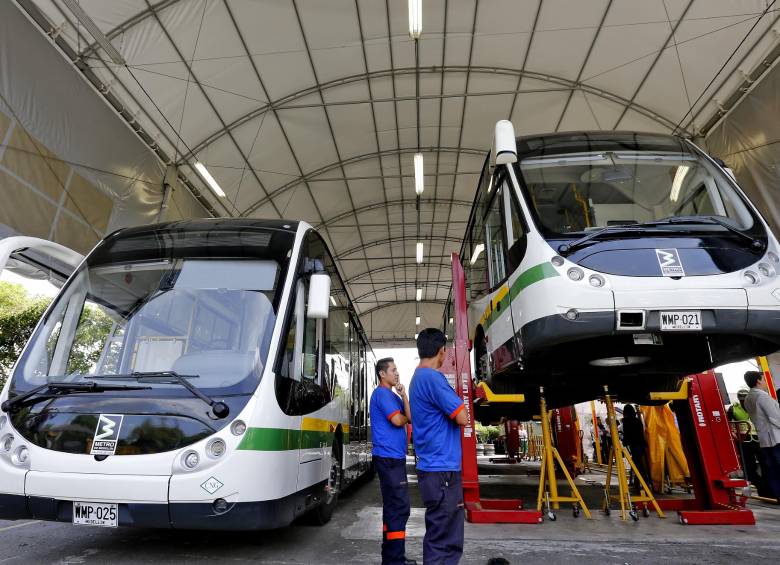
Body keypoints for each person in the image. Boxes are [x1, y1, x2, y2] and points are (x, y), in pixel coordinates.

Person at [409, 328, 469, 565]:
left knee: (439, 532)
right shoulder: (432, 378)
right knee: (446, 538)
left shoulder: (416, 378)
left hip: (432, 468)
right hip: (442, 469)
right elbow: (462, 416)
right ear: (441, 351)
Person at [369, 357, 416, 565]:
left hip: (393, 458)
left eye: (397, 370)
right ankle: (395, 560)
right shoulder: (382, 394)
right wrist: (404, 416)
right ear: (382, 374)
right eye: (393, 370)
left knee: (394, 508)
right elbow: (399, 420)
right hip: (389, 458)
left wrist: (404, 395)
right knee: (399, 507)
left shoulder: (393, 396)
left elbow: (410, 416)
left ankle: (391, 558)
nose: (397, 373)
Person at [742, 370, 780, 500]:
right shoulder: (762, 396)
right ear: (758, 381)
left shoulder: (748, 398)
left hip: (764, 440)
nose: (764, 382)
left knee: (773, 471)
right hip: (776, 439)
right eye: (763, 379)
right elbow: (776, 418)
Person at [727, 389, 767, 496]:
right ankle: (762, 487)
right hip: (744, 441)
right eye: (741, 400)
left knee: (766, 466)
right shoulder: (733, 409)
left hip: (760, 440)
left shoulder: (756, 406)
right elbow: (727, 423)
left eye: (745, 399)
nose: (743, 402)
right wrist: (733, 434)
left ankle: (767, 491)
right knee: (748, 468)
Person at [621, 405, 649, 491]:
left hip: (634, 446)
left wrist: (624, 442)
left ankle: (644, 485)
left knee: (638, 466)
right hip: (642, 445)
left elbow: (627, 435)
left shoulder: (626, 422)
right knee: (640, 465)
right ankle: (640, 484)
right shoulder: (637, 420)